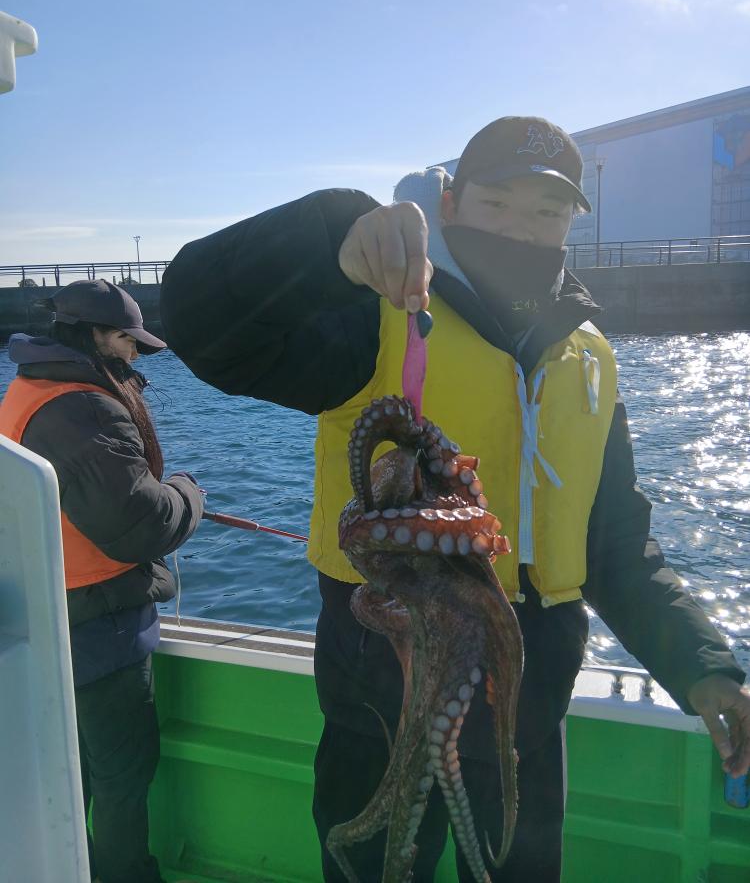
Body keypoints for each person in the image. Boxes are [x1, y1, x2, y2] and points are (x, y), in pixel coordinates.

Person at [159, 116, 750, 882]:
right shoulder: (375, 315)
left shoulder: (589, 357)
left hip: (527, 706)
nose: (522, 229)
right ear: (450, 205)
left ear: (571, 220)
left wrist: (703, 665)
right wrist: (329, 236)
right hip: (381, 692)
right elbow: (204, 325)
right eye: (496, 204)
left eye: (547, 211)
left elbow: (615, 547)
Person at [0, 279, 203, 883]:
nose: (135, 353)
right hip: (99, 625)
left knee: (73, 770)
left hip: (47, 611)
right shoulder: (83, 407)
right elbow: (140, 525)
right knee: (122, 774)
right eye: (125, 340)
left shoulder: (28, 388)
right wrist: (189, 491)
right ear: (91, 336)